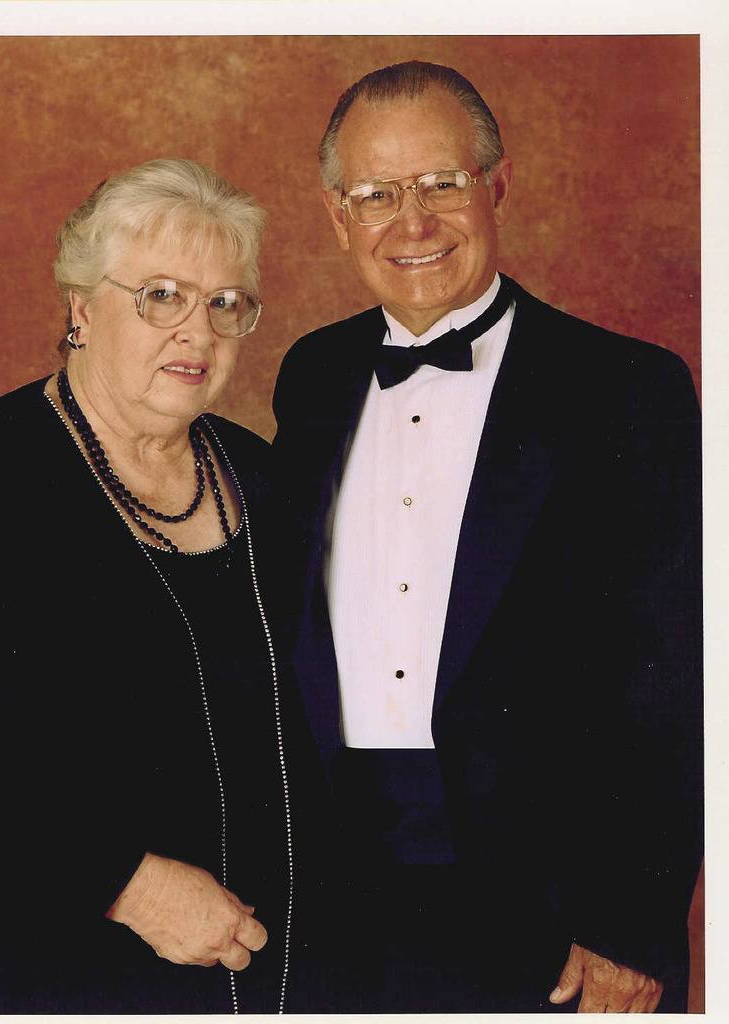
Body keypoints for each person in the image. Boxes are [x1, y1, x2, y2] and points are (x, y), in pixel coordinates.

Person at [271, 61, 702, 1014]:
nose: (410, 223)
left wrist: (629, 924)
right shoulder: (312, 375)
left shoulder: (630, 391)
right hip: (335, 896)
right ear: (339, 216)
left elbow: (680, 680)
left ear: (496, 185)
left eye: (441, 184)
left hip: (551, 908)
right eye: (376, 194)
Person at [0, 157, 325, 1014]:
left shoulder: (261, 477)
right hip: (55, 966)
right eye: (161, 296)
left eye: (226, 303)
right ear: (80, 308)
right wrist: (120, 881)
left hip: (278, 973)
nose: (199, 331)